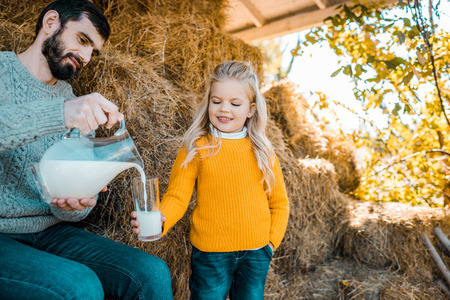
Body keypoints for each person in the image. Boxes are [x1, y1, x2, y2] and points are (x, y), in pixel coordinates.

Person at [0, 1, 172, 299]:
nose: (86, 56)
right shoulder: (9, 75)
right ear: (51, 22)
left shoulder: (79, 108)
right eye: (82, 40)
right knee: (80, 287)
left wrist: (75, 205)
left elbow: (67, 204)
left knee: (150, 273)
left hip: (49, 230)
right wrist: (59, 113)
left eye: (93, 50)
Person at [131, 60, 290, 299]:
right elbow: (177, 195)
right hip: (210, 254)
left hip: (256, 253)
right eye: (216, 102)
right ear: (208, 104)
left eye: (235, 103)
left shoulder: (263, 151)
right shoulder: (197, 146)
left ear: (251, 109)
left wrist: (270, 244)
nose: (224, 109)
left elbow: (280, 203)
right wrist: (161, 218)